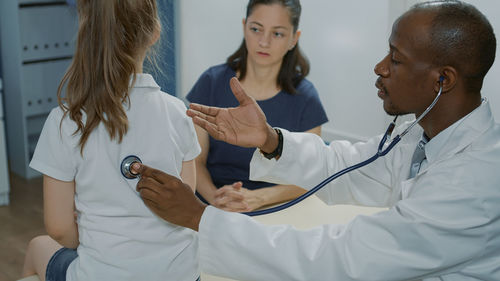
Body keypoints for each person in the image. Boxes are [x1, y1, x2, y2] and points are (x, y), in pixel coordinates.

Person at [135, 0, 500, 280]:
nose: (380, 68)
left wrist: (201, 218)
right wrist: (271, 140)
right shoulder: (423, 138)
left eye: (396, 58)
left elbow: (338, 256)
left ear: (443, 80)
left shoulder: (474, 183)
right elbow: (346, 165)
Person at [22, 1, 201, 281]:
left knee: (37, 246)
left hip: (100, 274)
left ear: (87, 34)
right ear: (154, 32)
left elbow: (58, 230)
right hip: (182, 274)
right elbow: (185, 198)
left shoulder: (65, 121)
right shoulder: (179, 112)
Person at [186, 0, 328, 212]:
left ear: (293, 39)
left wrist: (257, 199)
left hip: (274, 208)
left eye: (277, 33)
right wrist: (217, 200)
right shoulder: (211, 82)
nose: (264, 42)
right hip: (210, 205)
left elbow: (311, 174)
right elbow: (194, 161)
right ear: (244, 27)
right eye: (256, 29)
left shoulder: (306, 98)